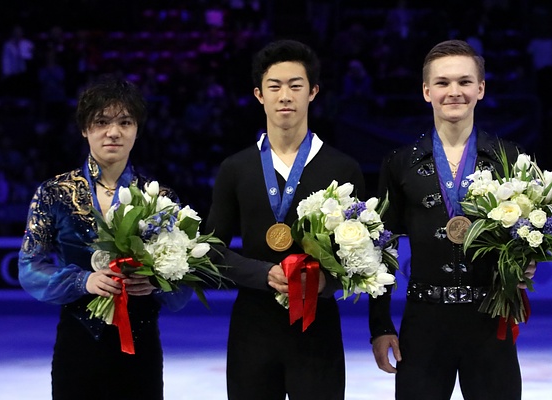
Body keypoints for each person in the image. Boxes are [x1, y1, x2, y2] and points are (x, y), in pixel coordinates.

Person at [369, 39, 534, 399]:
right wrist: (380, 325)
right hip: (424, 323)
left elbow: (530, 229)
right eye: (442, 83)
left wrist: (527, 262)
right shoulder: (398, 163)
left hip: (490, 320)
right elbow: (380, 250)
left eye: (464, 81)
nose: (454, 92)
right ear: (427, 91)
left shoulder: (511, 158)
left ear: (481, 88)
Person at [205, 39, 365, 400]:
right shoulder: (236, 168)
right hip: (253, 327)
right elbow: (211, 251)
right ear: (259, 95)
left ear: (313, 92)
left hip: (317, 327)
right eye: (275, 87)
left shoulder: (342, 168)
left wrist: (328, 280)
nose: (285, 96)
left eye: (296, 86)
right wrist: (264, 274)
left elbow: (361, 253)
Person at [18, 75, 192, 400]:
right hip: (77, 344)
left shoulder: (160, 198)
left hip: (141, 348)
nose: (113, 132)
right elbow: (29, 267)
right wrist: (83, 281)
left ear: (137, 129)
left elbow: (183, 287)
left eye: (125, 122)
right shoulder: (54, 193)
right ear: (85, 129)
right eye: (101, 122)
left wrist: (158, 283)